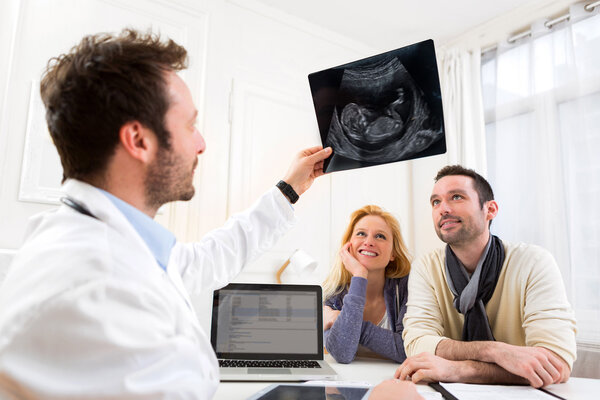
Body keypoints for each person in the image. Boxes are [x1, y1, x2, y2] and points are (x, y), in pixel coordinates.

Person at [0, 29, 332, 399]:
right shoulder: (101, 289)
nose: (201, 143)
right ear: (139, 141)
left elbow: (204, 260)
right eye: (190, 125)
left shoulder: (97, 238)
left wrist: (288, 190)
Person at [395, 165, 577, 388]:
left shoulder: (534, 262)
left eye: (456, 197)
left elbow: (556, 364)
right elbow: (417, 343)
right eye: (436, 202)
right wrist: (495, 351)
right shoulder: (426, 267)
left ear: (490, 210)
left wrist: (460, 369)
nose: (443, 208)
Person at [322, 205, 411, 363]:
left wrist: (351, 324)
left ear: (393, 253)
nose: (369, 242)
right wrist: (359, 275)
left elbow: (408, 349)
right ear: (348, 246)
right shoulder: (333, 294)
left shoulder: (406, 288)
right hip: (348, 382)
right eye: (361, 234)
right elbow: (342, 353)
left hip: (396, 381)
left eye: (380, 236)